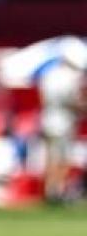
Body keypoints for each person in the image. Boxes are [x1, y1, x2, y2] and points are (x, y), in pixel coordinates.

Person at [37, 56, 84, 203]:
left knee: (51, 156)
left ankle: (48, 190)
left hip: (47, 118)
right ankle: (57, 191)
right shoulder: (70, 78)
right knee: (62, 158)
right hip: (64, 121)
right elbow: (72, 101)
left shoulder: (47, 76)